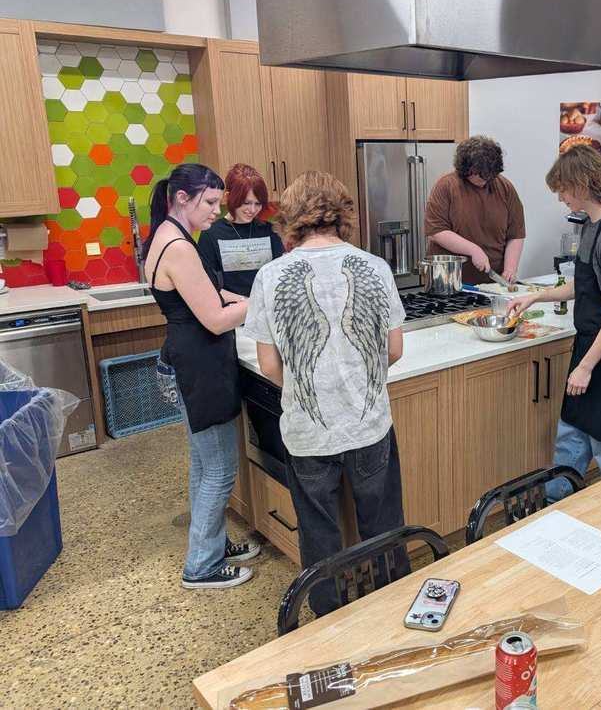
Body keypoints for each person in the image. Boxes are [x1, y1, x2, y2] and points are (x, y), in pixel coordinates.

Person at [245, 170, 410, 616]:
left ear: (291, 218)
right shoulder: (374, 267)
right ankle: (392, 609)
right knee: (383, 527)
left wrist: (307, 386)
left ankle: (328, 621)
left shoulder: (271, 276)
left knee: (319, 534)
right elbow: (394, 349)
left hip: (307, 434)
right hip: (369, 424)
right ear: (341, 214)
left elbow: (268, 365)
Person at [144, 163, 259, 590]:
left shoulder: (166, 236)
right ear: (182, 198)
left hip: (187, 361)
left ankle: (212, 543)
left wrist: (237, 297)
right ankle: (202, 566)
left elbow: (206, 294)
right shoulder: (178, 247)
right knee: (219, 469)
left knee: (202, 464)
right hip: (199, 367)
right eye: (210, 202)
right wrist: (260, 299)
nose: (217, 210)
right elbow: (213, 319)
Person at [508, 145, 601, 501]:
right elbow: (582, 286)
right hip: (589, 348)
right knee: (570, 439)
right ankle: (555, 509)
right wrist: (535, 295)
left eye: (563, 189)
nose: (561, 197)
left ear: (581, 185)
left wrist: (584, 368)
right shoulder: (593, 226)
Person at [424, 135, 526, 285]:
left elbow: (516, 233)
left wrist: (510, 269)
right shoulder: (446, 186)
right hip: (450, 282)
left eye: (490, 175)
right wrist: (473, 250)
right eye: (480, 174)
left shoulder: (505, 188)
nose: (485, 179)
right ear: (466, 168)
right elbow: (436, 231)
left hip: (492, 284)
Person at [197, 163, 285, 297]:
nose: (252, 210)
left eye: (258, 203)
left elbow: (281, 276)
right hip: (233, 313)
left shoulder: (270, 231)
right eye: (246, 203)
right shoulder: (211, 234)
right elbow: (208, 286)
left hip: (267, 311)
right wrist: (246, 303)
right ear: (228, 196)